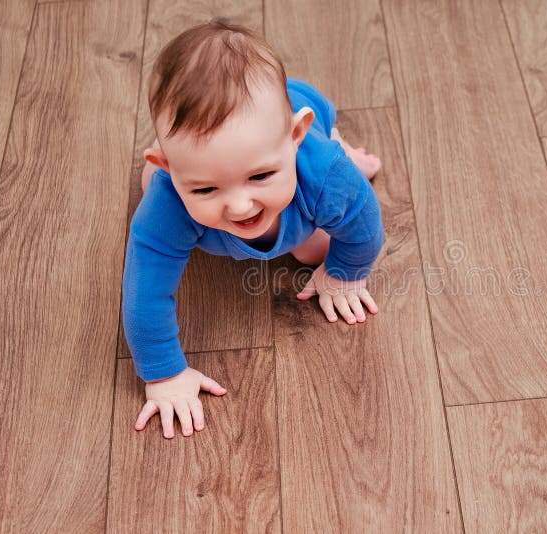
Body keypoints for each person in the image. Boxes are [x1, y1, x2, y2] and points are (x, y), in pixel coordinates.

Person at [124, 20, 384, 439]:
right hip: (225, 172)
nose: (241, 205)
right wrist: (164, 372)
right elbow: (144, 290)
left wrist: (345, 272)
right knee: (148, 198)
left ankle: (343, 147)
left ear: (295, 136)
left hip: (305, 131)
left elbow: (363, 220)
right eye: (206, 186)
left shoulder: (320, 167)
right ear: (168, 167)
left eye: (260, 176)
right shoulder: (167, 197)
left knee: (314, 250)